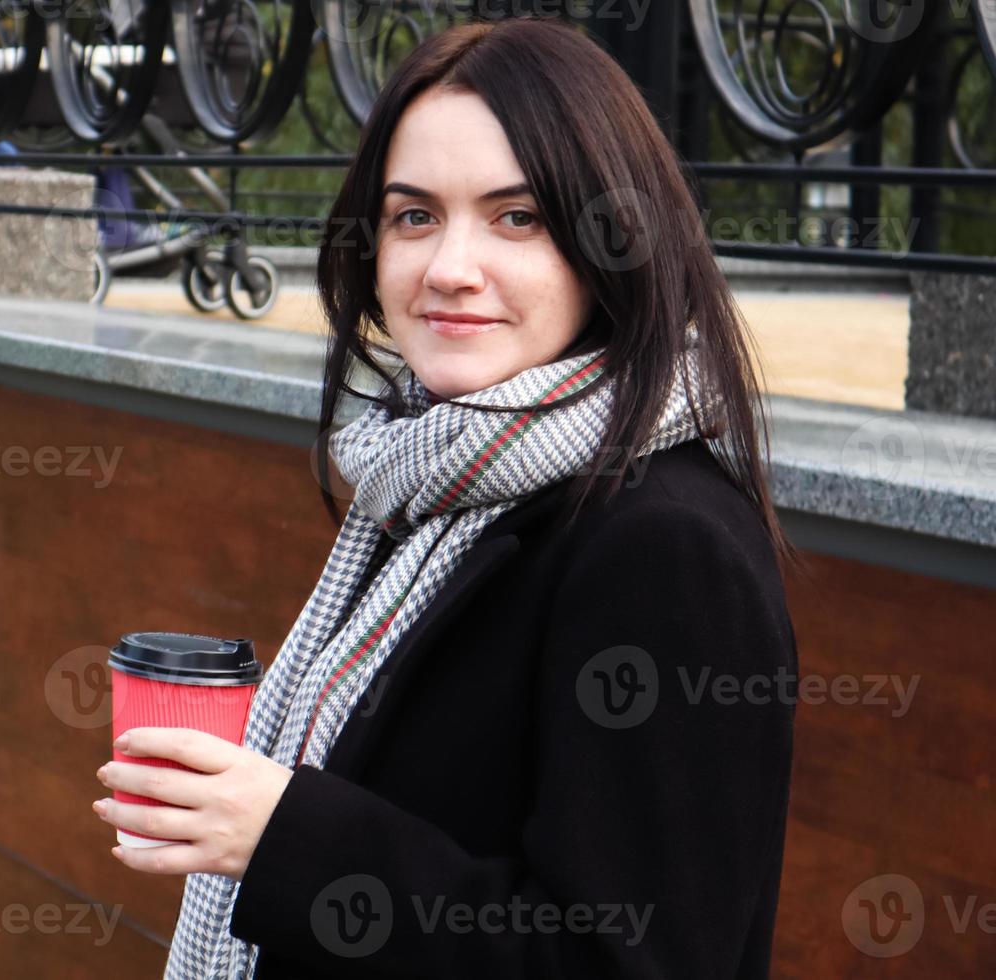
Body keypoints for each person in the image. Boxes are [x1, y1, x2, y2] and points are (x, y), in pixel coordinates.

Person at [92, 17, 805, 979]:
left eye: (518, 218)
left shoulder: (665, 549)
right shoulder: (438, 480)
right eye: (414, 215)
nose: (449, 270)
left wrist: (287, 835)